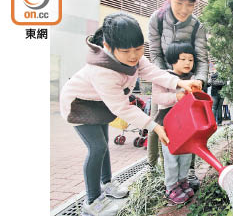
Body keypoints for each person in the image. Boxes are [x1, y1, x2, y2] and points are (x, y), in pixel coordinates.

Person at [59, 13, 201, 216]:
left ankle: (107, 184)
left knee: (104, 146)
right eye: (126, 51)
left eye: (139, 48)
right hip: (79, 105)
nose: (134, 56)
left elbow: (152, 72)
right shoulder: (102, 71)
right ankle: (92, 202)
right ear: (108, 47)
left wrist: (179, 82)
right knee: (97, 148)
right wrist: (154, 126)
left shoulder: (133, 56)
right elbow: (123, 108)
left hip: (100, 104)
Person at [147, 0, 208, 188]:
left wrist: (199, 79)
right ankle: (154, 170)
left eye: (190, 5)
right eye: (179, 3)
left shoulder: (197, 26)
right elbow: (154, 52)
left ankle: (188, 172)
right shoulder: (157, 19)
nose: (184, 10)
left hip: (190, 84)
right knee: (158, 123)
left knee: (191, 127)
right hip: (163, 78)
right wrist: (167, 79)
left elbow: (202, 58)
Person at [152, 41, 198, 204]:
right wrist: (175, 97)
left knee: (186, 154)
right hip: (168, 124)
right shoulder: (163, 76)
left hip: (185, 124)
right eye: (183, 59)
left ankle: (182, 181)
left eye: (190, 59)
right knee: (171, 156)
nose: (188, 63)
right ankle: (171, 187)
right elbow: (156, 98)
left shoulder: (191, 78)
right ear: (172, 60)